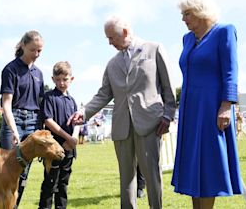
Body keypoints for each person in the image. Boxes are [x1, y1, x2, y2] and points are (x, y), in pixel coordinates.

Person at [68, 16, 176, 208]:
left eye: (112, 37)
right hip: (122, 127)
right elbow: (103, 94)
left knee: (152, 175)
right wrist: (84, 113)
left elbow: (168, 87)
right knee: (126, 177)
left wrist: (168, 114)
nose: (109, 42)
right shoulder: (112, 63)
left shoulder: (154, 49)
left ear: (125, 32)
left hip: (151, 124)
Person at [171, 0, 243, 209]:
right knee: (193, 166)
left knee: (209, 164)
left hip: (213, 108)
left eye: (187, 14)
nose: (183, 19)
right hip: (190, 109)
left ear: (201, 12)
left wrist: (225, 106)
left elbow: (230, 72)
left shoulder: (224, 32)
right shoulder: (187, 39)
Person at [0, 30, 45, 207]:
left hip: (33, 122)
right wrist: (13, 129)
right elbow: (6, 103)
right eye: (33, 50)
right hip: (14, 120)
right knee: (7, 170)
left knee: (24, 172)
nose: (36, 54)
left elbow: (41, 103)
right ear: (23, 45)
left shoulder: (38, 73)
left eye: (40, 51)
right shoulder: (10, 69)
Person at [38, 61, 78, 209]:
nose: (61, 83)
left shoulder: (72, 101)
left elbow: (77, 123)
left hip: (69, 149)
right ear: (53, 79)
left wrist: (72, 140)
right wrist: (67, 138)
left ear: (71, 79)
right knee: (50, 183)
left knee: (63, 183)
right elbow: (48, 120)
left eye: (65, 79)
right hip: (53, 149)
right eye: (58, 79)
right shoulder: (49, 97)